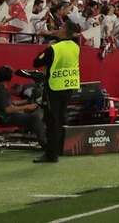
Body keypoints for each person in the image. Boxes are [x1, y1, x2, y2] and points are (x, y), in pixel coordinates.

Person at [34, 25, 82, 163]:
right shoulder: (75, 47)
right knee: (61, 119)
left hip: (54, 87)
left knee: (51, 121)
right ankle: (59, 149)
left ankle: (51, 154)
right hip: (69, 86)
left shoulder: (55, 48)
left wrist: (49, 47)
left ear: (63, 31)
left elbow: (37, 62)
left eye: (60, 28)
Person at [0, 66, 45, 142]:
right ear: (9, 78)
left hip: (3, 118)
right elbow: (8, 109)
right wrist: (27, 106)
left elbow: (10, 104)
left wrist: (26, 102)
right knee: (35, 118)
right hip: (5, 120)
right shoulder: (2, 92)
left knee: (27, 115)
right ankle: (44, 143)